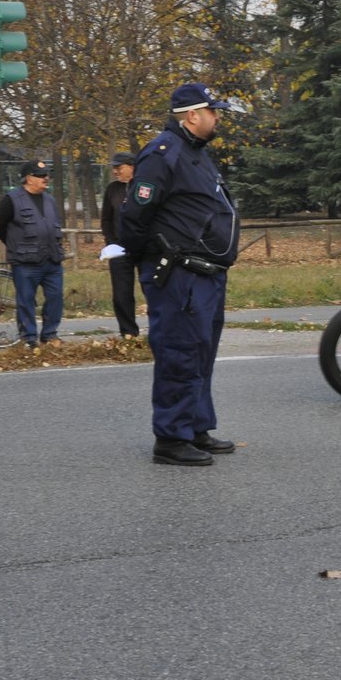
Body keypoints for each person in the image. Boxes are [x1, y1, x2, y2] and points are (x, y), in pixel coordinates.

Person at [116, 82, 240, 467]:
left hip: (207, 272)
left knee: (201, 351)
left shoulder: (195, 153)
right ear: (192, 115)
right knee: (179, 351)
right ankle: (170, 438)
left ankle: (196, 427)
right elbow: (134, 218)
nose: (218, 117)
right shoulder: (162, 154)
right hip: (178, 274)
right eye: (213, 111)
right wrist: (154, 263)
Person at [0, 158, 64, 348]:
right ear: (28, 178)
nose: (45, 178)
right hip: (25, 262)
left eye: (46, 175)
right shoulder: (12, 199)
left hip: (52, 259)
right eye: (40, 176)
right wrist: (14, 244)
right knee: (26, 301)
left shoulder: (50, 200)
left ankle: (49, 334)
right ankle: (29, 339)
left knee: (55, 298)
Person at [99, 151, 141, 337]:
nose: (115, 171)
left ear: (131, 167)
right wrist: (111, 242)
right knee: (121, 293)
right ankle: (128, 332)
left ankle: (161, 329)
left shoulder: (144, 186)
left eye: (119, 167)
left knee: (153, 289)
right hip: (119, 248)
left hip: (144, 248)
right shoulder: (112, 189)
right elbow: (106, 219)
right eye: (114, 168)